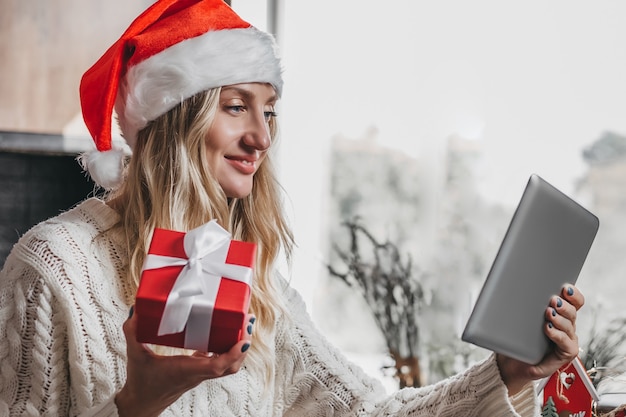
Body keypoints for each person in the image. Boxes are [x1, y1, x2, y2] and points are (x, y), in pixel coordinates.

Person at [0, 0, 585, 416]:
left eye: (270, 110)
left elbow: (365, 413)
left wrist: (506, 372)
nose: (262, 136)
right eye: (235, 107)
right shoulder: (54, 267)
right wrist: (137, 405)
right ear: (175, 120)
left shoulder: (252, 281)